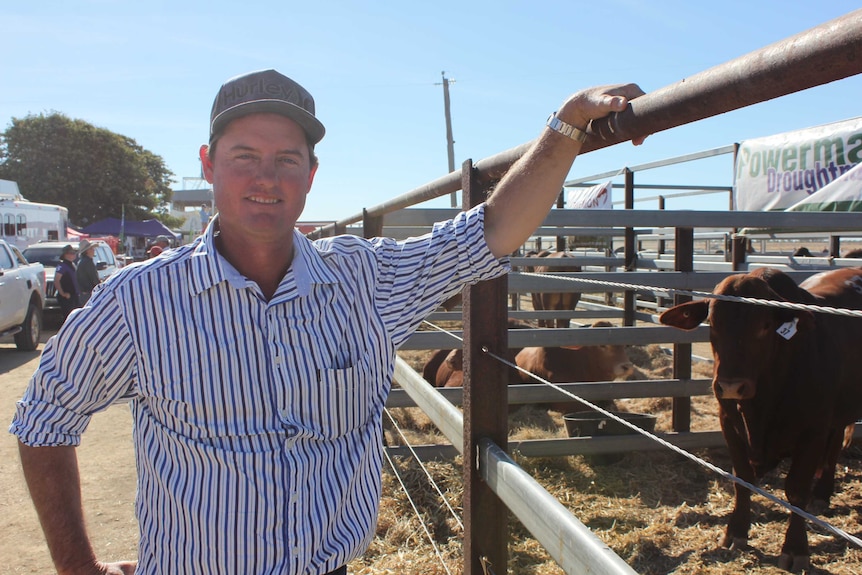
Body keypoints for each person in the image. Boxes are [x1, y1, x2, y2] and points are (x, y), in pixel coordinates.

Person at [11, 69, 645, 575]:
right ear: (207, 165)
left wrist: (566, 124)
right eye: (244, 156)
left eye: (288, 159)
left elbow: (492, 232)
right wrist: (77, 565)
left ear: (312, 176)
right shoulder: (139, 301)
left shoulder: (364, 281)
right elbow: (44, 419)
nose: (266, 177)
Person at [53, 244, 80, 321]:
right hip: (67, 297)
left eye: (74, 253)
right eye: (71, 253)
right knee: (68, 318)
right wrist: (63, 293)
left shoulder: (73, 265)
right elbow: (56, 280)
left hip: (74, 296)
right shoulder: (62, 266)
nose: (74, 255)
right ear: (66, 255)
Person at [76, 239, 100, 305]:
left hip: (84, 294)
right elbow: (94, 279)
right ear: (87, 251)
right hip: (89, 294)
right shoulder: (88, 262)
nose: (94, 250)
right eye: (92, 248)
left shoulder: (82, 261)